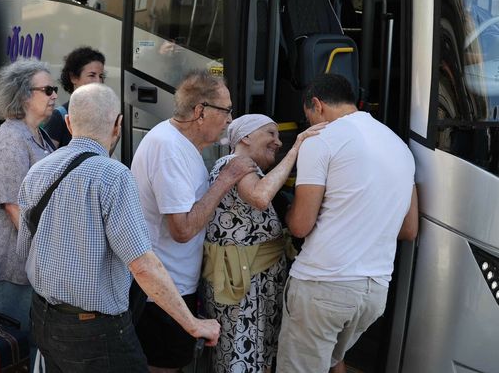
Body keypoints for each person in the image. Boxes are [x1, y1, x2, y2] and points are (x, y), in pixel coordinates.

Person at [17, 83, 221, 372]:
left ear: (69, 123)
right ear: (118, 125)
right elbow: (143, 266)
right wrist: (193, 324)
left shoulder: (38, 170)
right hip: (95, 331)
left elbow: (24, 249)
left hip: (43, 318)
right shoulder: (114, 176)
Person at [276, 74, 419, 373]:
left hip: (323, 284)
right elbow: (409, 230)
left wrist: (288, 211)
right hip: (374, 293)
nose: (309, 125)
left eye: (308, 117)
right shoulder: (400, 147)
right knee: (333, 362)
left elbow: (300, 225)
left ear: (317, 105)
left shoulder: (321, 140)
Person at [129, 70, 256, 372]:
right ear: (200, 111)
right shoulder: (169, 148)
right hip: (163, 291)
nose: (229, 119)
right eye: (226, 110)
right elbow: (183, 229)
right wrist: (225, 180)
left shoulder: (176, 142)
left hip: (172, 284)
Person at [201, 114, 323, 373]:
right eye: (271, 133)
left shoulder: (250, 170)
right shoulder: (234, 162)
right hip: (241, 287)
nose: (278, 142)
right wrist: (296, 148)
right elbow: (260, 196)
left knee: (259, 360)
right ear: (245, 137)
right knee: (240, 360)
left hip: (254, 285)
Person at [0, 60, 57, 334]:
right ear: (24, 96)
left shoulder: (37, 134)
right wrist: (46, 256)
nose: (54, 96)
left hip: (29, 263)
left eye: (54, 89)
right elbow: (14, 208)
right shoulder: (11, 140)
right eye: (47, 90)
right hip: (11, 266)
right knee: (13, 344)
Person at [43, 46, 106, 148]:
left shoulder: (102, 115)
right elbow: (47, 155)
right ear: (73, 77)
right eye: (92, 75)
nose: (98, 81)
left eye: (101, 76)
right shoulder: (59, 116)